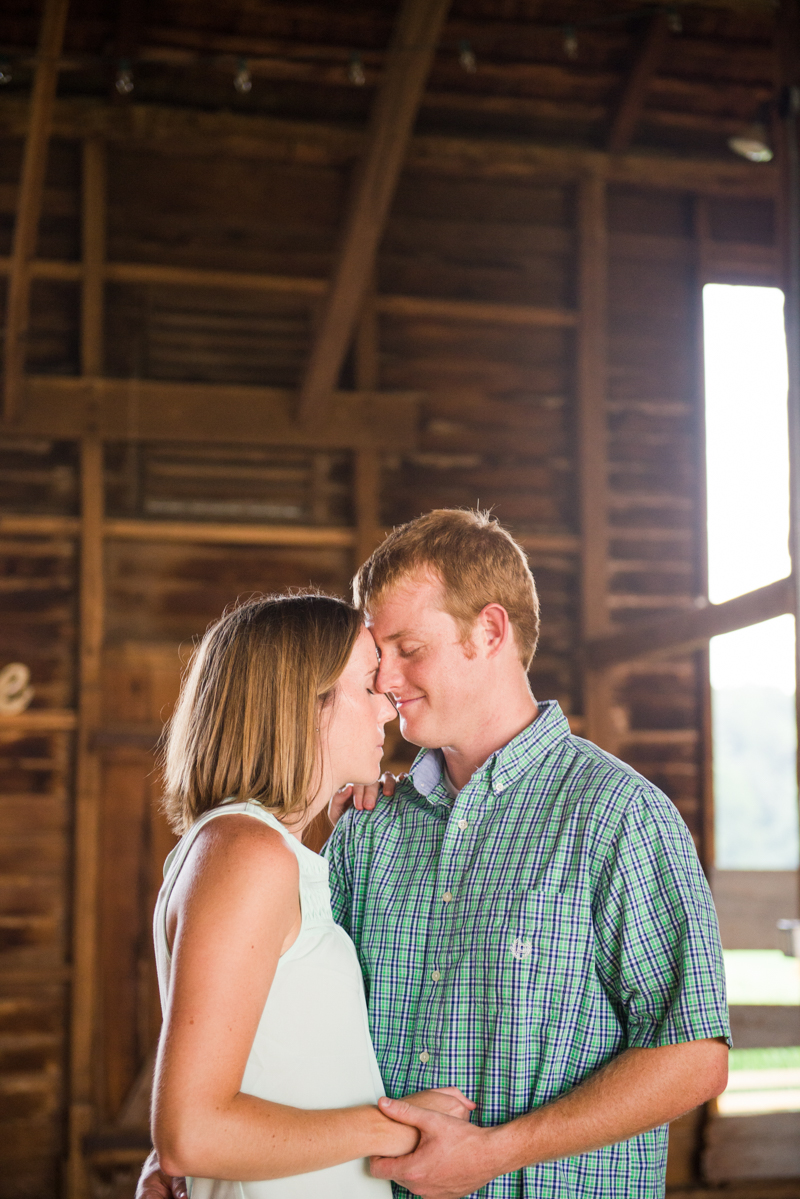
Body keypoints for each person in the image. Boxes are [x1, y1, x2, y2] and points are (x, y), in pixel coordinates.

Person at [140, 510, 730, 1199]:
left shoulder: (618, 816)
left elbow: (694, 1058)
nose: (386, 677)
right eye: (374, 657)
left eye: (408, 647)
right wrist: (202, 1148)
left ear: (490, 630)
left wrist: (496, 1151)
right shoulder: (365, 824)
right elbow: (279, 1024)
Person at [147, 592, 475, 1199]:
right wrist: (402, 1129)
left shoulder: (261, 849)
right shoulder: (247, 853)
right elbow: (190, 1134)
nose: (387, 708)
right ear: (307, 702)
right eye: (369, 684)